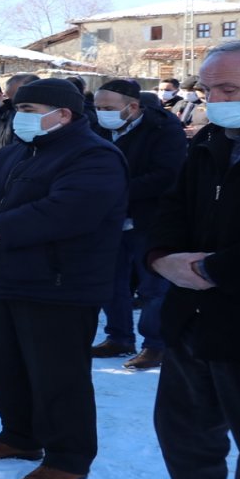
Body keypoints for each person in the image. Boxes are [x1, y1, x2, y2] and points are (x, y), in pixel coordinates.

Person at [0, 78, 128, 479]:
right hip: (0, 279)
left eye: (27, 110)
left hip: (59, 286)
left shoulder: (95, 156)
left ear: (62, 114)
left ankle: (68, 458)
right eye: (17, 110)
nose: (17, 117)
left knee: (58, 378)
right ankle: (18, 436)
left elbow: (63, 213)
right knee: (3, 367)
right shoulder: (13, 153)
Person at [148, 39, 240, 479]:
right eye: (210, 91)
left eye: (230, 90)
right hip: (192, 323)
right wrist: (160, 257)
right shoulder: (209, 145)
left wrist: (215, 269)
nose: (217, 102)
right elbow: (169, 211)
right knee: (186, 444)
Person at [91, 79, 187, 370]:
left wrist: (113, 190)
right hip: (107, 219)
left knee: (153, 287)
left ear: (132, 106)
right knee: (110, 281)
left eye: (108, 108)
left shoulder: (164, 129)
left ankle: (155, 344)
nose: (101, 113)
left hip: (150, 218)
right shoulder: (96, 129)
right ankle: (118, 337)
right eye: (97, 107)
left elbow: (167, 175)